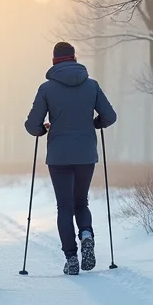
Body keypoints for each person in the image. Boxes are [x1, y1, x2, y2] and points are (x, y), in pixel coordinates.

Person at [24, 42, 116, 275]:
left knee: (64, 206)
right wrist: (94, 124)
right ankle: (86, 233)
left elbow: (32, 125)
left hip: (59, 156)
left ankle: (71, 258)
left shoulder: (46, 89)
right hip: (86, 154)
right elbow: (109, 116)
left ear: (54, 61)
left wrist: (43, 129)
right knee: (81, 202)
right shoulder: (92, 86)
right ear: (75, 58)